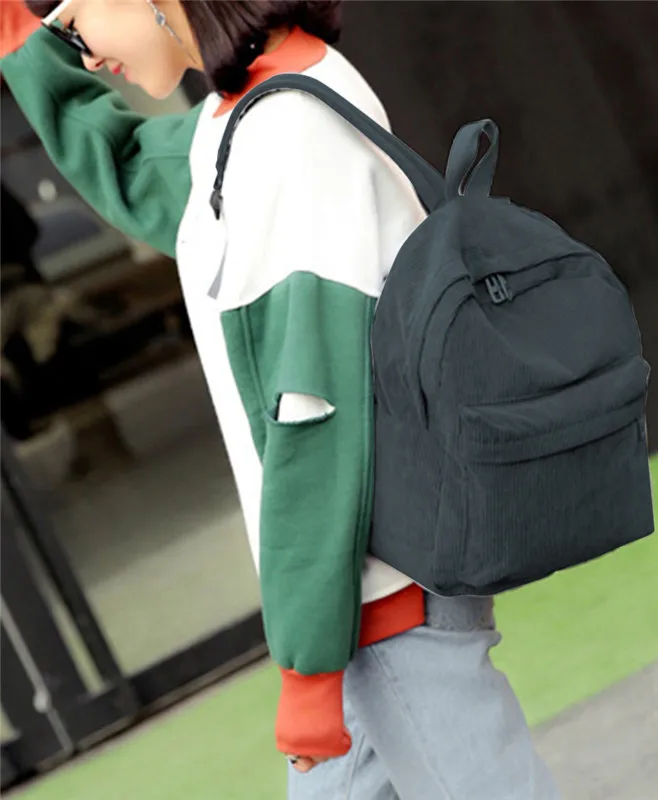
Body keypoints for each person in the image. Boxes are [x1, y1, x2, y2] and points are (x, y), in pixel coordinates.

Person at [1, 2, 560, 797]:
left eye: (72, 13)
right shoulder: (262, 105)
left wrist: (308, 669)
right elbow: (138, 172)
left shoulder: (288, 133)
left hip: (381, 594)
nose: (82, 49)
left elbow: (314, 421)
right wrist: (23, 44)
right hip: (367, 592)